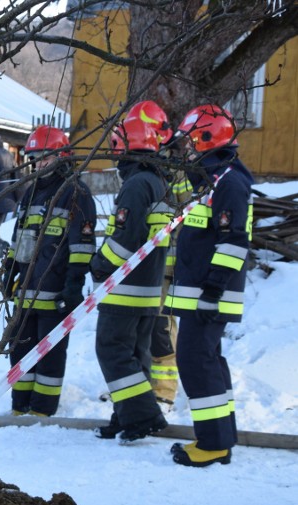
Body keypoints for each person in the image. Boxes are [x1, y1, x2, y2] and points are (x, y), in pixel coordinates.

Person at [164, 104, 253, 467]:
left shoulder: (229, 182)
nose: (185, 148)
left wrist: (213, 288)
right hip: (203, 292)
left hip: (210, 294)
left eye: (189, 141)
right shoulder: (212, 179)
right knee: (209, 361)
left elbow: (234, 240)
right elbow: (182, 190)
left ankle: (213, 443)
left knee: (195, 361)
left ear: (205, 138)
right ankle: (222, 435)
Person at [91, 115, 174, 442]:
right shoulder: (157, 181)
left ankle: (143, 417)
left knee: (111, 350)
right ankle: (125, 415)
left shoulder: (137, 184)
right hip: (147, 289)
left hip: (125, 288)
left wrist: (99, 264)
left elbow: (126, 237)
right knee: (135, 355)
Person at [5, 126, 97, 416]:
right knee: (20, 352)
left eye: (45, 158)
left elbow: (81, 246)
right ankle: (20, 406)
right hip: (26, 294)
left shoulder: (76, 193)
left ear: (62, 156)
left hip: (56, 294)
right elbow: (18, 238)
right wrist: (9, 270)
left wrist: (73, 287)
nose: (39, 164)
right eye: (34, 158)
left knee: (50, 356)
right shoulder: (30, 192)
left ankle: (43, 410)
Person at [127, 100, 189, 413]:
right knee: (138, 329)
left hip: (166, 263)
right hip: (141, 265)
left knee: (161, 328)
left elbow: (187, 215)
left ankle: (164, 391)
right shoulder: (144, 169)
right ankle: (138, 387)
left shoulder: (175, 172)